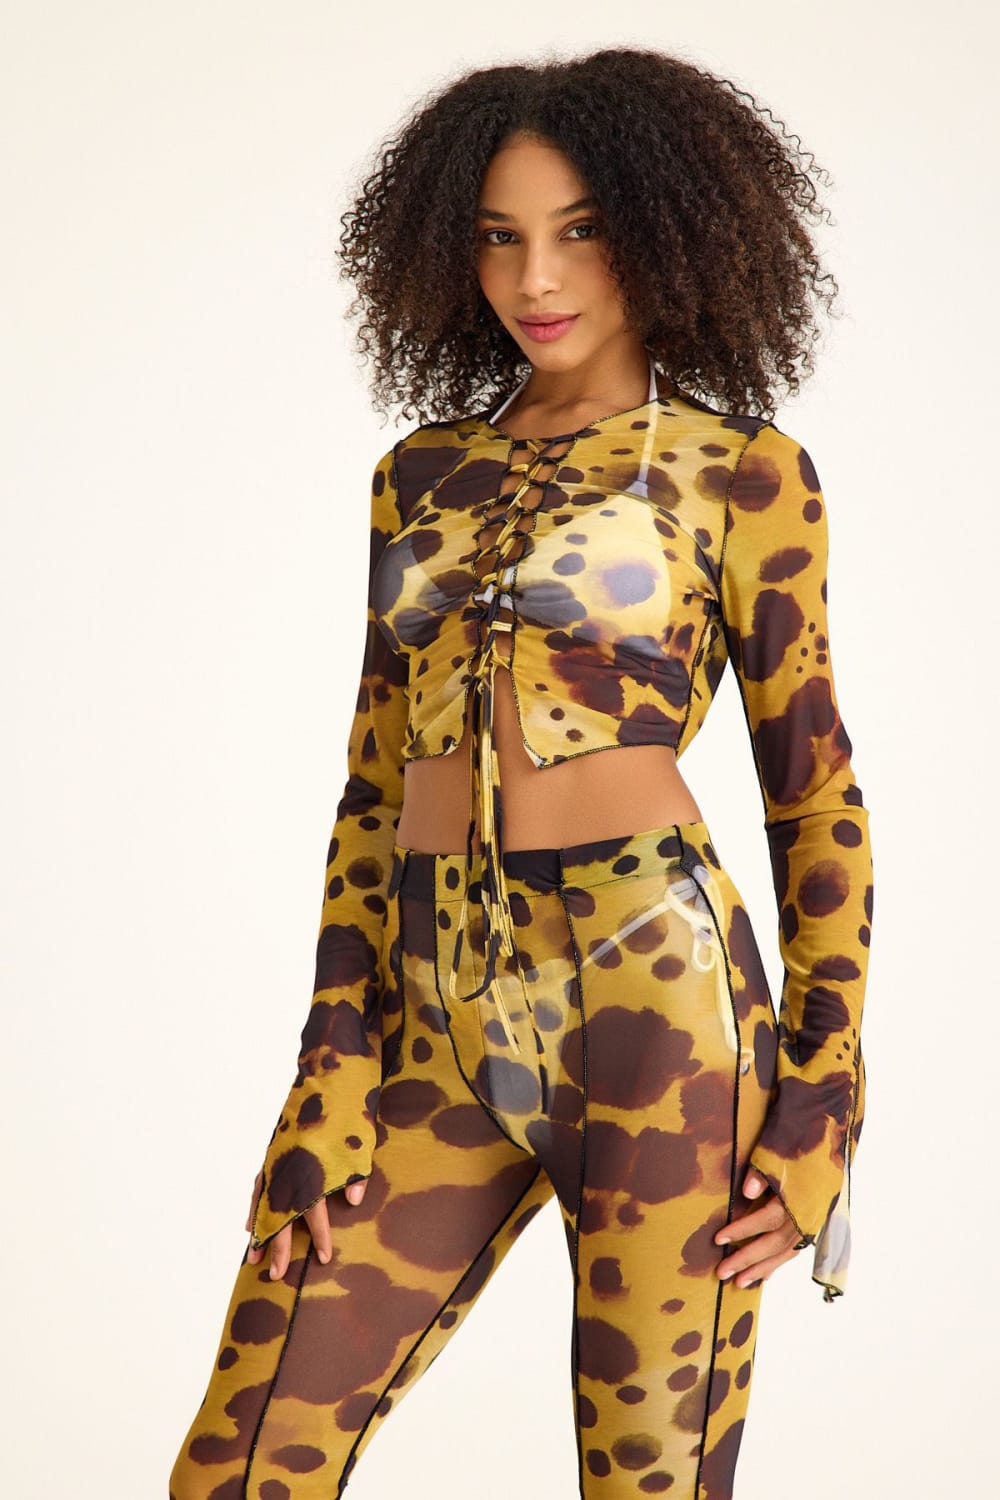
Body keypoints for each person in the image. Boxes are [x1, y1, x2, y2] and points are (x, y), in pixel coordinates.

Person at [169, 45, 873, 1500]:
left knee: (647, 1484)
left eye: (580, 230)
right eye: (499, 236)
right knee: (237, 1466)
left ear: (666, 233)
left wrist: (827, 1089)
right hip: (431, 1001)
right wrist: (329, 1069)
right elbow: (374, 794)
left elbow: (814, 795)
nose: (534, 278)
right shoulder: (418, 477)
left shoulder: (742, 473)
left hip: (660, 1010)